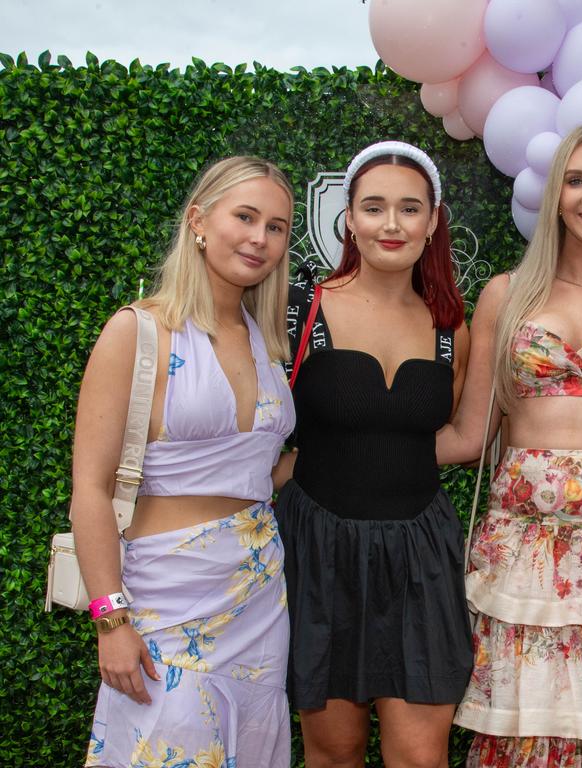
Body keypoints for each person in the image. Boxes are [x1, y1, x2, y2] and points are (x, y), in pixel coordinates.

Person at [437, 122, 582, 767]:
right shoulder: (506, 295)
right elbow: (468, 434)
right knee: (524, 713)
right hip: (524, 542)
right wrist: (355, 453)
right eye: (575, 179)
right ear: (554, 195)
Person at [72, 156, 296, 767]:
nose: (260, 238)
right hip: (166, 604)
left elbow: (256, 474)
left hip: (258, 599)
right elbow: (89, 489)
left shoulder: (267, 344)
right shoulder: (137, 332)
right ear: (199, 220)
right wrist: (110, 621)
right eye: (245, 217)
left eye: (277, 226)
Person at [275, 141, 472, 768]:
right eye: (375, 207)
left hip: (420, 557)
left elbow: (455, 435)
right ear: (349, 218)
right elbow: (260, 428)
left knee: (420, 756)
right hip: (321, 551)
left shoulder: (451, 326)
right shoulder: (301, 310)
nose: (392, 224)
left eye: (409, 209)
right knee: (335, 752)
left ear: (433, 221)